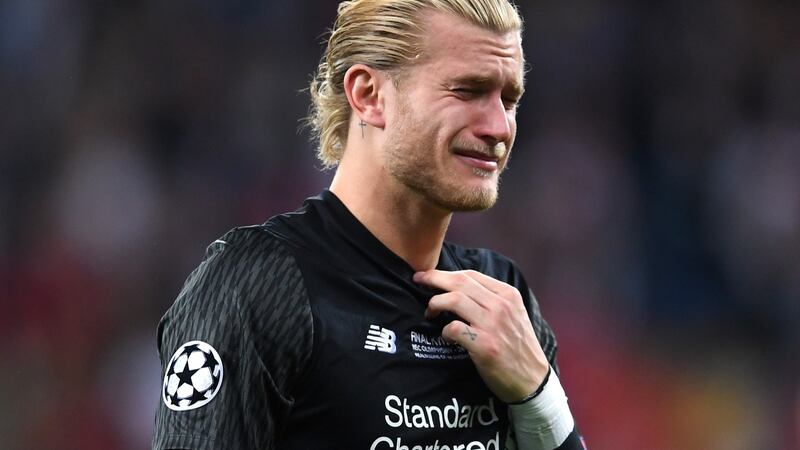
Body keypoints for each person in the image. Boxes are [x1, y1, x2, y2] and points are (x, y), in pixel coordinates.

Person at [153, 1, 586, 449]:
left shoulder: (502, 295)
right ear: (369, 94)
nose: (498, 126)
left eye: (509, 99)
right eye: (467, 90)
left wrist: (541, 399)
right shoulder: (258, 286)